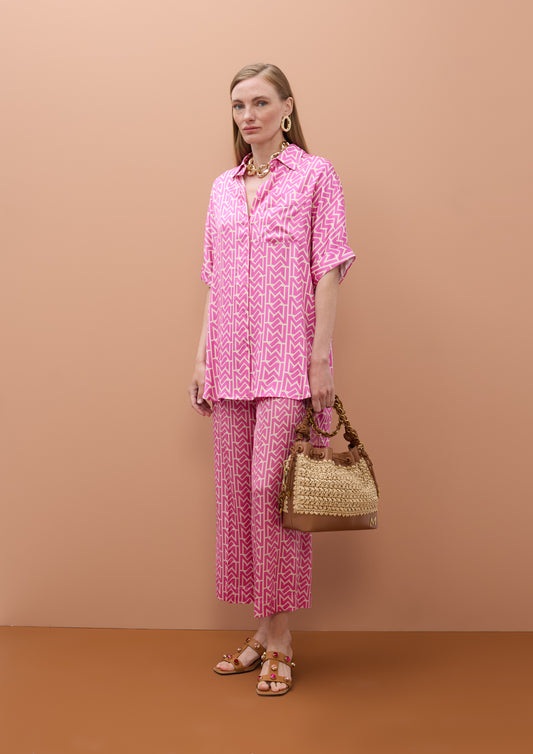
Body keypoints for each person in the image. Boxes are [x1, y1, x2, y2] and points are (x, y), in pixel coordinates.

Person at [188, 62, 356, 697]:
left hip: (288, 357)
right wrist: (201, 357)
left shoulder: (315, 175)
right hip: (229, 359)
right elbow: (215, 280)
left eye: (260, 102)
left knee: (270, 491)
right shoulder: (222, 188)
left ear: (286, 108)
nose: (248, 115)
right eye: (238, 105)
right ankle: (263, 631)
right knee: (237, 494)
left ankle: (281, 639)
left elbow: (328, 268)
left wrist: (320, 358)